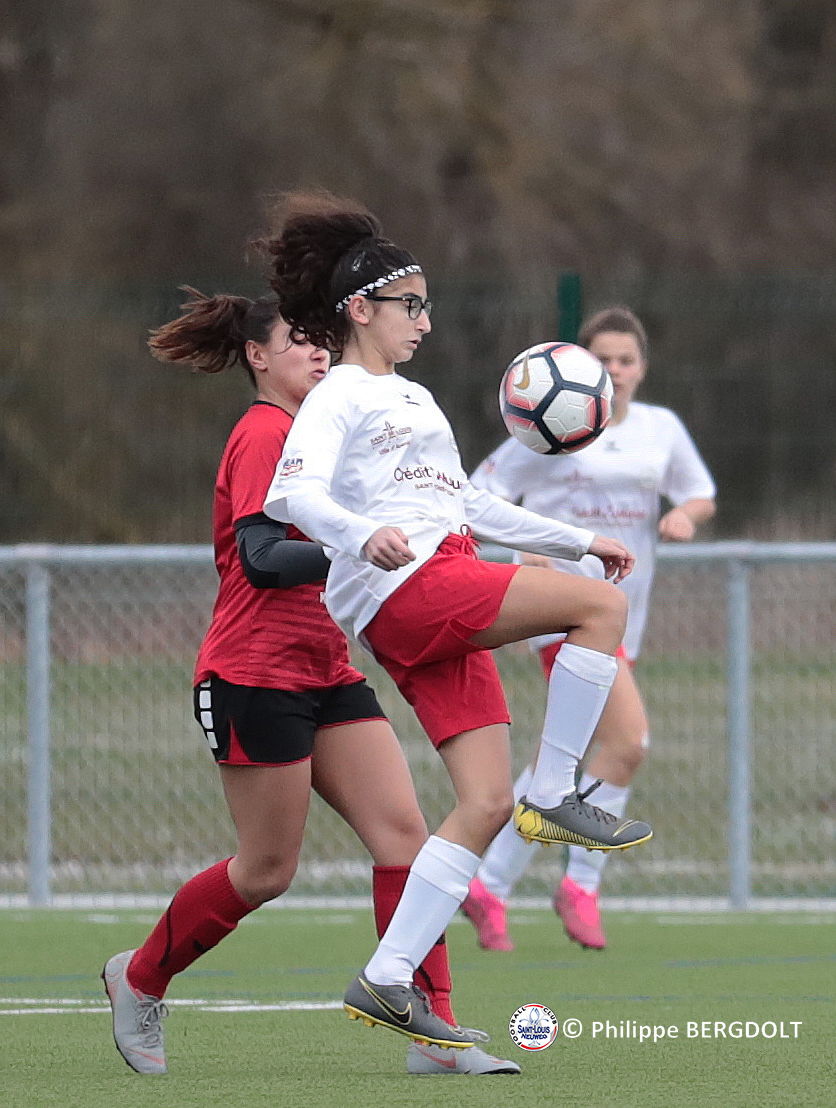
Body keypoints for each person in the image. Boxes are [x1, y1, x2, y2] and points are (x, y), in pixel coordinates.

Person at [259, 190, 653, 1048]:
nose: (425, 322)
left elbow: (468, 504)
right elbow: (292, 494)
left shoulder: (415, 399)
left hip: (439, 585)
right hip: (412, 589)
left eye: (427, 305)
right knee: (603, 609)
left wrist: (577, 539)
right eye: (411, 305)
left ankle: (387, 976)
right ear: (361, 309)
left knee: (482, 802)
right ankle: (555, 793)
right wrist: (361, 534)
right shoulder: (339, 394)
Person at [101, 287, 521, 1076]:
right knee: (267, 870)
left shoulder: (332, 432)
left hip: (327, 670)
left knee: (405, 841)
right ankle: (140, 977)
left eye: (322, 339)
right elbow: (262, 557)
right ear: (257, 355)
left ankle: (434, 1033)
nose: (318, 351)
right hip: (253, 675)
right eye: (297, 340)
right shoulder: (265, 431)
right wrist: (358, 545)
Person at [462, 306, 717, 951]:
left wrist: (686, 515)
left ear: (642, 368)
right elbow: (475, 495)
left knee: (566, 758)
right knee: (628, 742)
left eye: (626, 360)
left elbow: (699, 491)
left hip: (625, 614)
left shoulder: (660, 428)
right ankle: (581, 883)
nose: (615, 370)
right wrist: (525, 548)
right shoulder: (549, 424)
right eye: (602, 360)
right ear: (579, 367)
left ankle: (489, 883)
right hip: (565, 613)